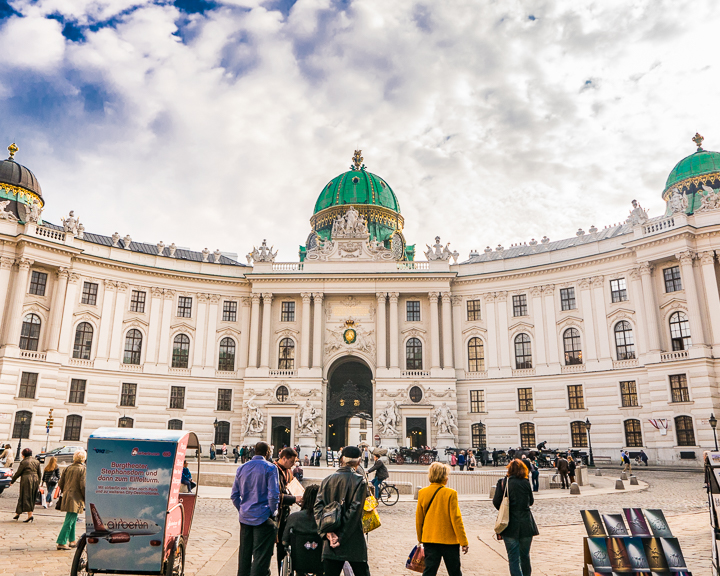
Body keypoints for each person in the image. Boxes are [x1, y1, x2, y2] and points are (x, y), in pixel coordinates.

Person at [314, 446, 369, 576]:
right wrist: (341, 536)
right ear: (359, 461)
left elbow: (317, 508)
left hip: (331, 540)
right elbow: (355, 512)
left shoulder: (327, 480)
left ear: (342, 459)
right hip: (352, 539)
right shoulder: (360, 481)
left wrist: (328, 533)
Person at [231, 441, 279, 576]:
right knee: (260, 556)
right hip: (263, 517)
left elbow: (234, 495)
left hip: (245, 517)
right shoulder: (270, 468)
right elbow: (273, 495)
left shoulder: (241, 468)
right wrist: (272, 511)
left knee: (244, 555)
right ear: (267, 452)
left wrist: (242, 510)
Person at [416, 462, 469, 576]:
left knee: (429, 571)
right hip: (449, 540)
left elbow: (419, 519)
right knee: (454, 571)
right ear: (444, 477)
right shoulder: (451, 493)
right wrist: (463, 541)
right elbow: (456, 519)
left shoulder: (422, 493)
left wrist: (421, 538)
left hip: (429, 539)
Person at [493, 459, 539, 576]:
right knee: (525, 556)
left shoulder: (504, 482)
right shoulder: (526, 482)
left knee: (513, 558)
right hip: (526, 524)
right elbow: (531, 501)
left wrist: (505, 509)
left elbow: (496, 501)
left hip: (509, 524)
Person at [282, 484, 321, 572]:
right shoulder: (324, 519)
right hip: (320, 562)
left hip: (299, 562)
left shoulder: (294, 517)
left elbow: (285, 541)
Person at [275, 447, 301, 575]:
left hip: (285, 513)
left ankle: (283, 569)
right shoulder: (273, 470)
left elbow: (293, 487)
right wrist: (294, 498)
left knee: (284, 543)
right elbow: (275, 496)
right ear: (283, 458)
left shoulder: (288, 471)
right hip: (275, 515)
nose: (293, 464)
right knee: (275, 543)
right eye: (291, 461)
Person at [57, 449, 87, 550]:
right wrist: (86, 497)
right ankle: (61, 541)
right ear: (83, 458)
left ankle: (72, 540)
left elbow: (60, 483)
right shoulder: (83, 469)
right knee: (69, 520)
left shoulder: (68, 468)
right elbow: (83, 485)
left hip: (67, 495)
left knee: (73, 518)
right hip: (76, 497)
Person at [11, 448, 41, 522]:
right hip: (35, 479)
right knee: (32, 496)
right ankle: (18, 514)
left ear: (24, 455)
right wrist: (39, 483)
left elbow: (18, 472)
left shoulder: (24, 462)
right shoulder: (36, 461)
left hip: (27, 479)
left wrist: (12, 481)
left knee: (24, 496)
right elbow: (39, 473)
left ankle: (29, 515)